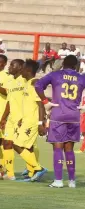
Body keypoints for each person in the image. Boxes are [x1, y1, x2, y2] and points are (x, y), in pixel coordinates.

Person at [35, 55, 85, 188]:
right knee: (69, 149)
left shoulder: (56, 74)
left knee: (58, 147)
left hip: (58, 114)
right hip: (74, 115)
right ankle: (72, 181)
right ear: (76, 66)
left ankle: (58, 180)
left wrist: (46, 102)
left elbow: (38, 85)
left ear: (63, 63)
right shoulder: (81, 77)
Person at [13, 59, 48, 182]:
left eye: (22, 68)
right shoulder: (28, 83)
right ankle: (33, 171)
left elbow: (40, 105)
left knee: (17, 145)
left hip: (33, 122)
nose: (20, 70)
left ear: (27, 70)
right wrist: (22, 118)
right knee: (27, 147)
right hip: (27, 120)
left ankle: (38, 168)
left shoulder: (34, 84)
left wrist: (40, 123)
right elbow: (30, 104)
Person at [0, 59, 26, 180]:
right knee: (7, 143)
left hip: (23, 118)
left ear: (20, 67)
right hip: (11, 118)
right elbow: (9, 101)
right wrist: (4, 118)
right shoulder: (10, 81)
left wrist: (26, 117)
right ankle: (10, 174)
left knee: (24, 146)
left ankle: (34, 169)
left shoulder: (25, 81)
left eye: (12, 65)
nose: (9, 67)